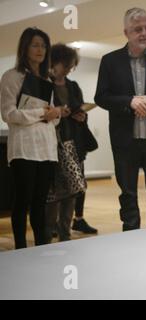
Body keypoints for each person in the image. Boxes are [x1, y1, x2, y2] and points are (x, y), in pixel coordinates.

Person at [95, 8, 146, 231]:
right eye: (137, 29)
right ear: (126, 32)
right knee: (128, 195)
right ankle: (130, 239)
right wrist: (129, 102)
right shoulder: (110, 61)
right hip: (125, 142)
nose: (144, 33)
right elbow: (101, 97)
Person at [0, 27, 65, 249]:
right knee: (22, 202)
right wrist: (41, 114)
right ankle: (20, 248)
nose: (41, 50)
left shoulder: (48, 78)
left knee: (40, 203)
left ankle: (40, 248)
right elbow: (9, 114)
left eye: (44, 45)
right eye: (35, 45)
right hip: (24, 149)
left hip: (46, 148)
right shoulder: (11, 76)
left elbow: (53, 117)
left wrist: (55, 115)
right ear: (25, 47)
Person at [44, 43, 98, 243]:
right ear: (54, 62)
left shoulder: (73, 86)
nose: (67, 69)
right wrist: (59, 112)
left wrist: (81, 116)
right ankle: (48, 235)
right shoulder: (44, 85)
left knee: (73, 190)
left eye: (70, 66)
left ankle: (65, 234)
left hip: (73, 144)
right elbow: (41, 113)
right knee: (52, 193)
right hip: (51, 146)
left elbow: (79, 110)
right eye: (65, 64)